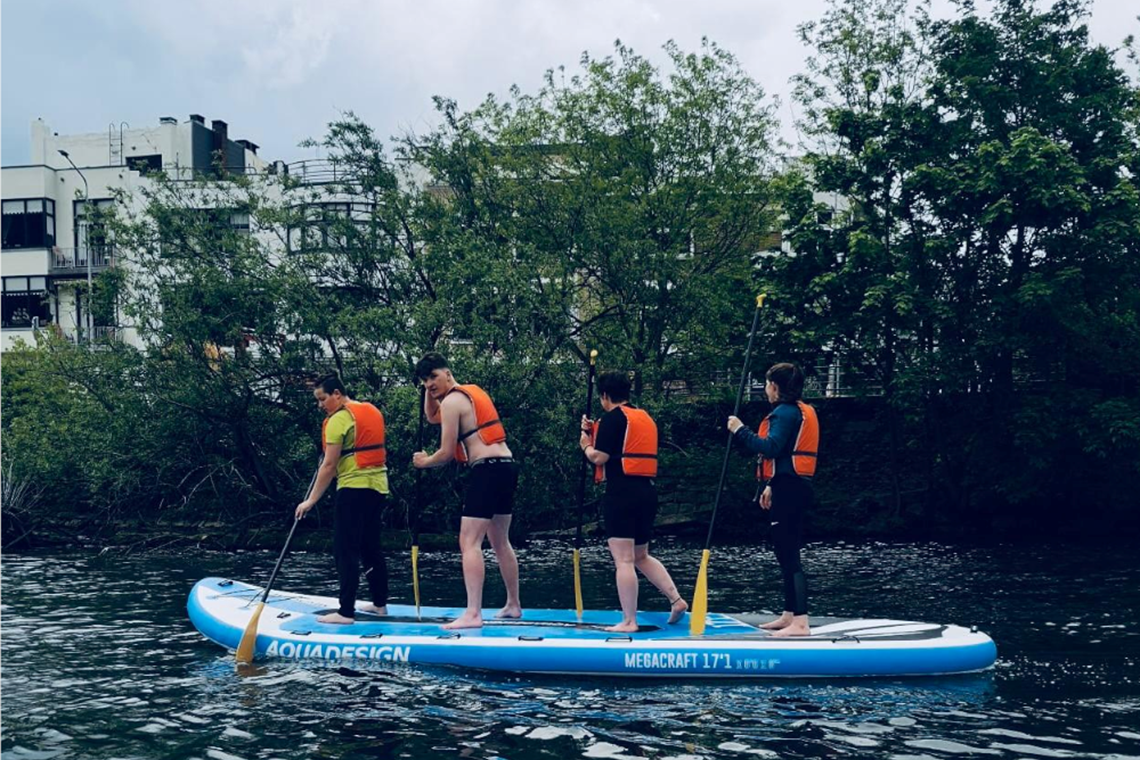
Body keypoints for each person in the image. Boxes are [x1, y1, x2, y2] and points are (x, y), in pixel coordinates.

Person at [411, 352, 521, 630]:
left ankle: (473, 613)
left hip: (486, 470)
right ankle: (513, 605)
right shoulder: (467, 394)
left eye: (433, 377)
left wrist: (425, 462)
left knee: (468, 542)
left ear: (448, 373)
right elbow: (432, 416)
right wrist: (429, 390)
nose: (429, 385)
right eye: (425, 381)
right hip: (507, 466)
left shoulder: (452, 402)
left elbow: (447, 453)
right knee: (500, 541)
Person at [580, 370, 687, 633]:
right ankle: (676, 599)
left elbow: (599, 457)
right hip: (646, 492)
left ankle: (629, 621)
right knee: (641, 555)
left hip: (622, 493)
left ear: (604, 396)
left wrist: (584, 444)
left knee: (624, 560)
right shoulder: (643, 417)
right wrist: (592, 430)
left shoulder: (612, 419)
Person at [726, 362, 819, 637]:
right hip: (789, 486)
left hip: (791, 491)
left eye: (767, 383)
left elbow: (771, 447)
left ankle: (800, 623)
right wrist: (771, 484)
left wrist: (739, 430)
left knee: (789, 553)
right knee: (783, 551)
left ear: (775, 387)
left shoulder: (784, 413)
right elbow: (785, 456)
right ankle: (790, 615)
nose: (765, 389)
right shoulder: (793, 412)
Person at [295, 373, 391, 624]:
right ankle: (380, 605)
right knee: (370, 547)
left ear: (337, 394)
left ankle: (345, 612)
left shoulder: (338, 419)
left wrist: (310, 501)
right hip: (378, 488)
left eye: (322, 399)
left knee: (344, 549)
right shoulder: (370, 409)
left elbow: (328, 466)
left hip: (353, 489)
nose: (320, 405)